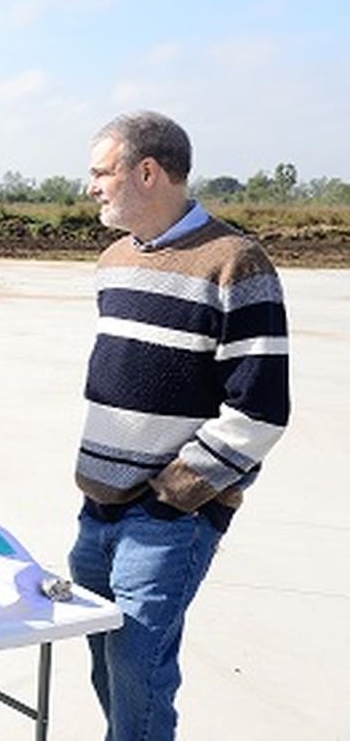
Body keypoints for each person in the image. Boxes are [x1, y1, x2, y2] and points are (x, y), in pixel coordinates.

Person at [70, 111, 290, 740]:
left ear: (147, 171)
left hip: (164, 522)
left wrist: (173, 498)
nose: (92, 187)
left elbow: (261, 409)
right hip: (97, 510)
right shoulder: (113, 260)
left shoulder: (235, 262)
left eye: (101, 172)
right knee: (112, 675)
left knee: (140, 682)